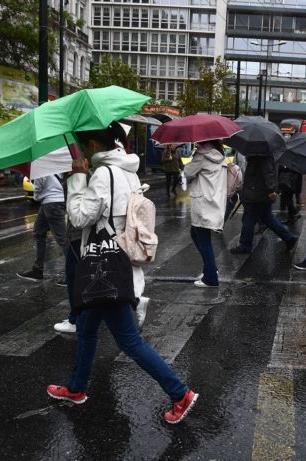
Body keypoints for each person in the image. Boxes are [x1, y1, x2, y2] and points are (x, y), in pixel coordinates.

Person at [47, 123, 197, 424]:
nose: (79, 151)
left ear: (92, 144)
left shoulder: (103, 173)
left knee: (129, 341)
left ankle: (180, 393)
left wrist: (77, 179)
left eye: (81, 145)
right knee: (86, 329)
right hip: (115, 261)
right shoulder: (127, 170)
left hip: (104, 268)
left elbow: (79, 218)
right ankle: (76, 388)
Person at [230, 154, 297, 255]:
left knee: (248, 219)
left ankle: (245, 245)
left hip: (256, 192)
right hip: (259, 192)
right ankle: (288, 237)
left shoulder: (261, 154)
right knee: (268, 218)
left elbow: (268, 172)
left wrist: (271, 190)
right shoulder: (264, 153)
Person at [184, 139, 227, 288]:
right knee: (196, 234)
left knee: (203, 239)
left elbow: (187, 172)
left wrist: (193, 158)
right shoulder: (219, 155)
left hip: (203, 202)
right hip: (214, 200)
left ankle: (211, 278)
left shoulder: (202, 156)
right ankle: (210, 269)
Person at [17, 175, 68, 282]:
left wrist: (36, 195)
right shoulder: (47, 166)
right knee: (38, 232)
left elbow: (37, 192)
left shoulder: (39, 169)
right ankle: (37, 269)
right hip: (50, 202)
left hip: (51, 203)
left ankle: (74, 272)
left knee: (62, 238)